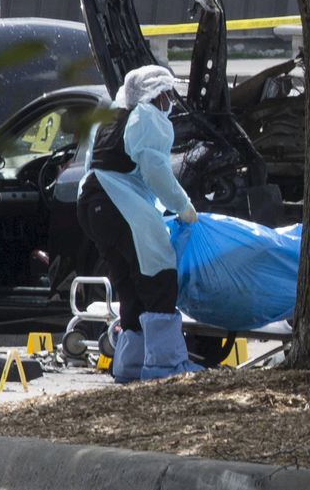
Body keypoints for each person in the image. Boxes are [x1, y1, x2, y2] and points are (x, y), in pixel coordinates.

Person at [77, 64, 202, 383]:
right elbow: (156, 171)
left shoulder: (112, 116)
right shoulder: (147, 117)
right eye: (168, 94)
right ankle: (165, 365)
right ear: (157, 94)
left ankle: (130, 365)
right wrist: (183, 206)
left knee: (129, 284)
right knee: (159, 276)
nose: (170, 102)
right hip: (120, 203)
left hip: (92, 202)